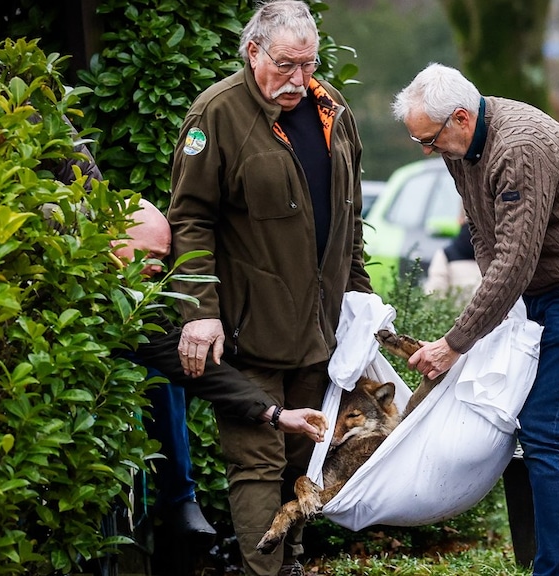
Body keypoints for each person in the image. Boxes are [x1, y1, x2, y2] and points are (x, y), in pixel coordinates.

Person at [392, 63, 559, 576]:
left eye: (429, 139)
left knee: (545, 428)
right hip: (555, 291)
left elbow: (516, 257)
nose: (428, 150)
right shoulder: (463, 148)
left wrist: (455, 342)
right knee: (550, 433)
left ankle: (556, 570)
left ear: (460, 117)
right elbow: (486, 239)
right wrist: (502, 314)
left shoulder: (518, 147)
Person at [165, 1, 371, 574]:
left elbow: (348, 216)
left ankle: (294, 561)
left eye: (309, 65)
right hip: (246, 330)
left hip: (320, 327)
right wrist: (199, 313)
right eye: (286, 65)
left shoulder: (332, 108)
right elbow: (189, 220)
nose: (300, 81)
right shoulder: (217, 115)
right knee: (256, 463)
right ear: (253, 51)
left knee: (304, 456)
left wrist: (359, 297)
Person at [112, 201, 329, 540]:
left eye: (163, 259)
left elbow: (182, 361)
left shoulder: (135, 306)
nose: (159, 269)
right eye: (151, 255)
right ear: (113, 239)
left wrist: (275, 413)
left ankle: (180, 499)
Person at [423, 217, 481, 303]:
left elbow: (434, 295)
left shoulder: (446, 254)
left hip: (457, 314)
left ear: (460, 219)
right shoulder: (502, 253)